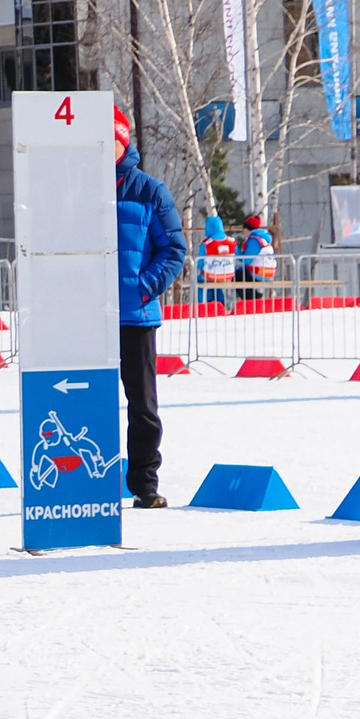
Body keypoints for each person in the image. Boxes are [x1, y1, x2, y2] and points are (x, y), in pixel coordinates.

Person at [113, 109, 186, 510]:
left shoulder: (150, 190)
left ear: (124, 144)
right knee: (90, 402)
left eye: (113, 141)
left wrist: (143, 289)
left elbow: (174, 249)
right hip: (90, 318)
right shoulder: (78, 187)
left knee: (142, 406)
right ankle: (90, 480)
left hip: (135, 317)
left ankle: (144, 484)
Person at [197, 214, 236, 306]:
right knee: (217, 283)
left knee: (199, 280)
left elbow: (200, 262)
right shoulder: (231, 241)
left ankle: (202, 303)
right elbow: (237, 254)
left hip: (210, 275)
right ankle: (221, 302)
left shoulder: (207, 243)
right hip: (228, 275)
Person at [235, 214, 278, 287]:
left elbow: (246, 260)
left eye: (244, 228)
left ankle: (252, 297)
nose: (243, 231)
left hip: (258, 273)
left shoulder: (254, 241)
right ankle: (254, 296)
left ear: (247, 228)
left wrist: (236, 249)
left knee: (237, 275)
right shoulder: (264, 239)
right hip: (269, 273)